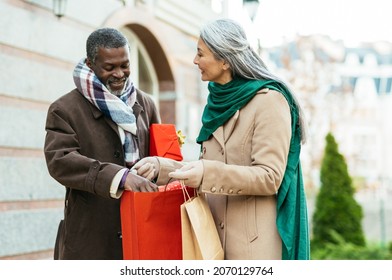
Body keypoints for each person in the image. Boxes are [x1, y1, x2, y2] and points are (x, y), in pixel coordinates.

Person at [133, 19, 310, 260]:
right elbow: (205, 168)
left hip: (253, 249)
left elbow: (270, 177)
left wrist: (207, 174)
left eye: (200, 54)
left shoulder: (269, 101)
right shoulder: (216, 102)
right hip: (210, 242)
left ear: (225, 60)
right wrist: (161, 167)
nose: (195, 61)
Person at [44, 27, 160, 260]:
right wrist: (121, 177)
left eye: (125, 65)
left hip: (142, 232)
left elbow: (163, 154)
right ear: (90, 63)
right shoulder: (64, 109)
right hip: (91, 239)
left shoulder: (146, 104)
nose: (120, 73)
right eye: (110, 67)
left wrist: (158, 165)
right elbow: (60, 161)